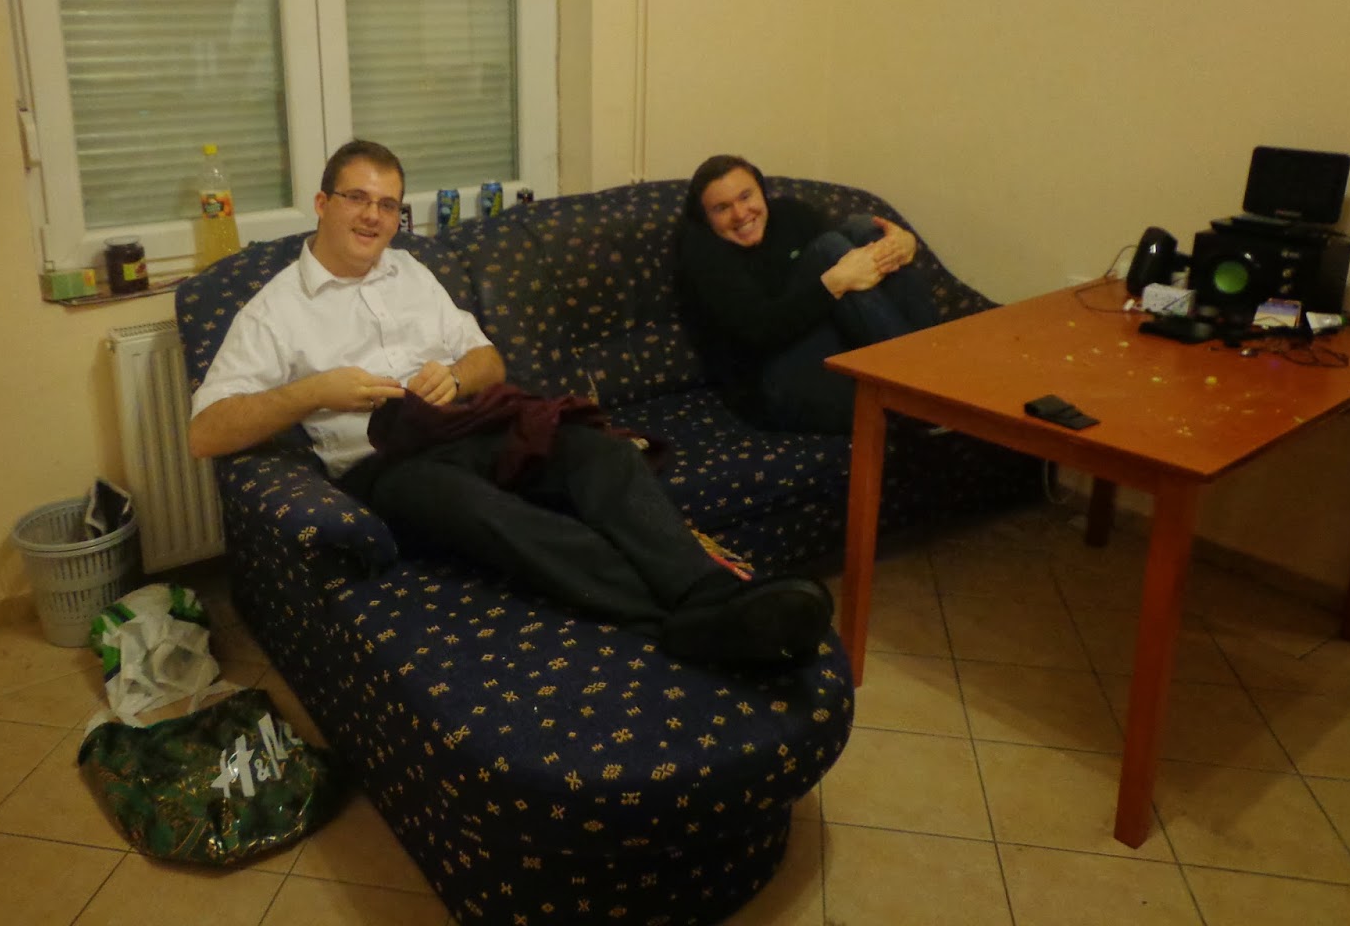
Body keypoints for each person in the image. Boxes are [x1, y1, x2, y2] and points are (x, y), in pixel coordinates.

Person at [189, 140, 833, 669]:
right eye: (356, 197)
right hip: (387, 466)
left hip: (468, 425)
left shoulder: (410, 273)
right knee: (488, 511)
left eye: (387, 204)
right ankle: (685, 621)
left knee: (599, 455)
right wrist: (313, 391)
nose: (372, 217)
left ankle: (708, 591)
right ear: (322, 203)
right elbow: (206, 433)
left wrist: (456, 377)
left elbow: (488, 360)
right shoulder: (275, 309)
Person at [677, 155, 939, 434]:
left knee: (868, 230)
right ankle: (928, 397)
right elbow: (760, 330)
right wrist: (833, 283)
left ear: (761, 191)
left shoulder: (790, 214)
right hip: (769, 379)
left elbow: (852, 254)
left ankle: (935, 377)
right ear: (705, 218)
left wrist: (904, 244)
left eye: (746, 196)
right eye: (722, 208)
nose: (741, 214)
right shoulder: (702, 252)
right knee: (829, 250)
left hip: (821, 344)